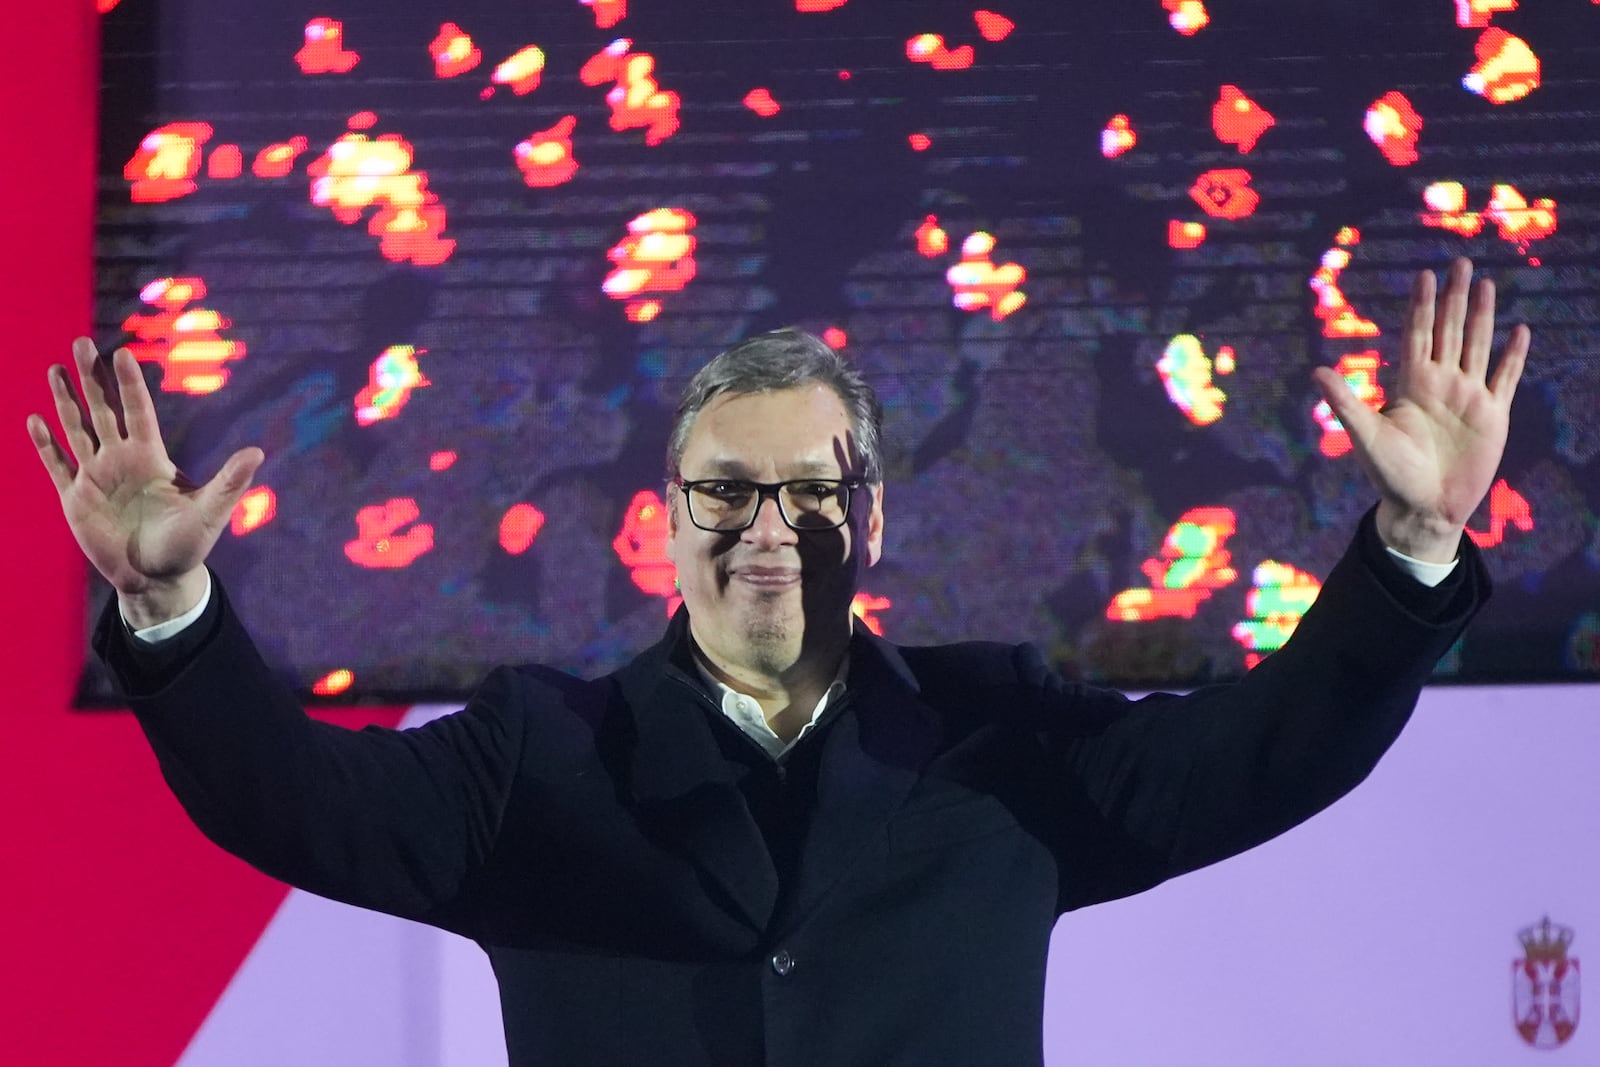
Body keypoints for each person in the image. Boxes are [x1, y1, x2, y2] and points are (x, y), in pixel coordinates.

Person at [29, 258, 1527, 1065]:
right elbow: (294, 803)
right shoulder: (537, 758)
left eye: (807, 492)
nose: (765, 528)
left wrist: (1410, 542)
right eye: (724, 493)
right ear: (665, 525)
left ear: (866, 517)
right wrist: (175, 613)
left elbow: (1264, 755)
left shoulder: (999, 743)